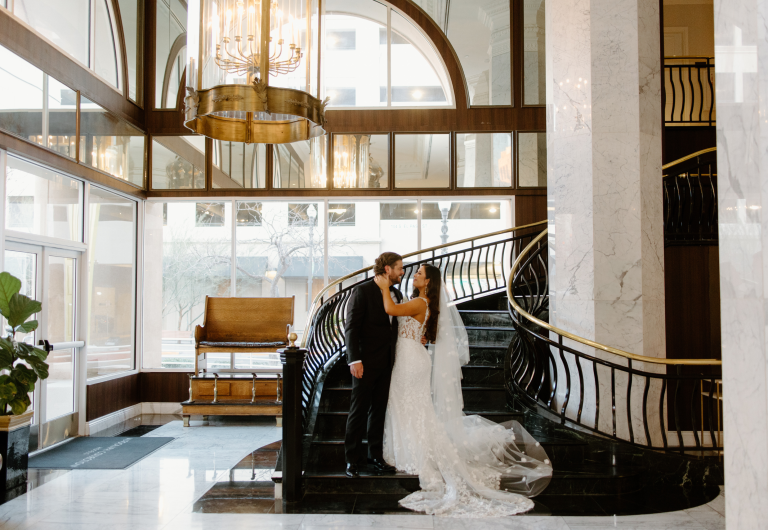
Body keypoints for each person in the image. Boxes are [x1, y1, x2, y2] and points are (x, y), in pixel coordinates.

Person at [373, 264, 553, 517]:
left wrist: (383, 288)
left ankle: (415, 452)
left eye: (419, 274)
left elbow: (390, 309)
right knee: (408, 405)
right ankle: (408, 448)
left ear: (428, 283)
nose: (414, 275)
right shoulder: (419, 302)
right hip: (409, 356)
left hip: (411, 361)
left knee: (411, 405)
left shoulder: (421, 302)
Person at [343, 252, 404, 478]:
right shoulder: (363, 291)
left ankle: (375, 457)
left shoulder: (396, 293)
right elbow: (351, 328)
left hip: (388, 361)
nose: (402, 272)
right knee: (358, 411)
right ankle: (352, 460)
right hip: (365, 362)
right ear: (387, 269)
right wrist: (354, 360)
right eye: (400, 267)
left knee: (379, 411)